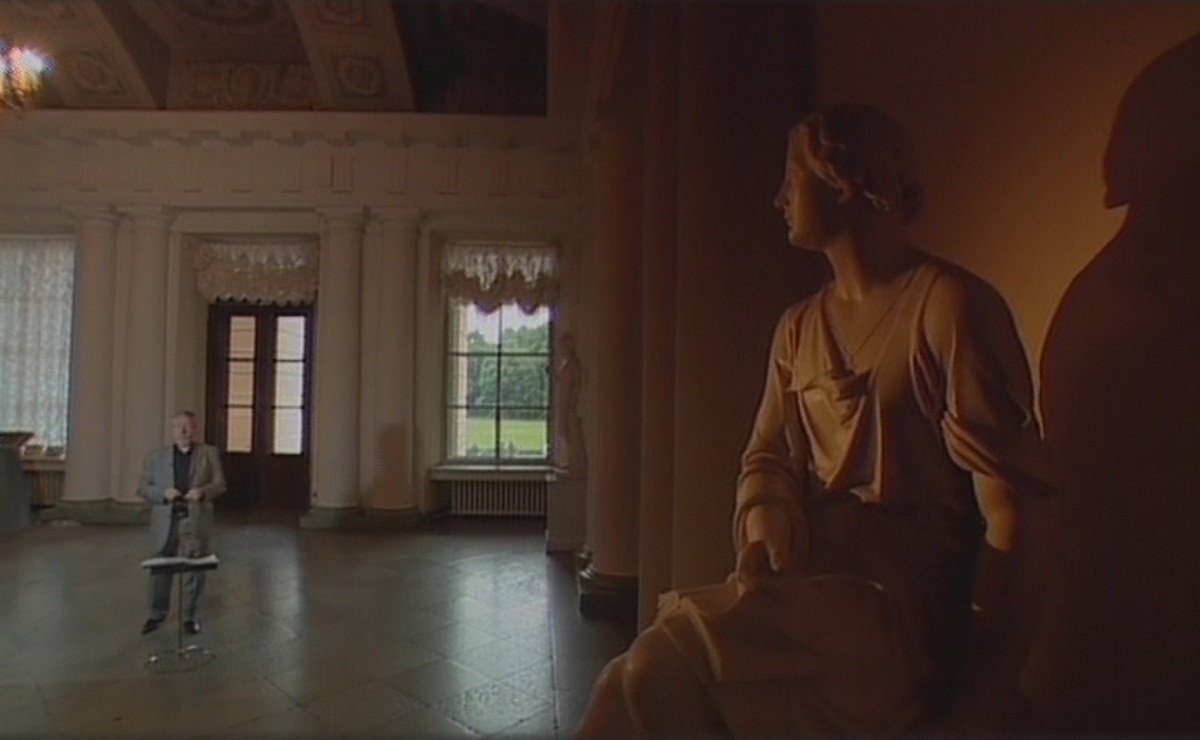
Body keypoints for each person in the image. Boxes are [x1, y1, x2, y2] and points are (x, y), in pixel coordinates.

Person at [577, 103, 1046, 737]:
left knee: (655, 672)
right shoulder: (799, 327)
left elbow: (1014, 513)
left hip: (901, 611)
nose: (778, 198)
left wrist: (986, 691)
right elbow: (768, 456)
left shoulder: (948, 308)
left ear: (844, 182)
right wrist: (768, 524)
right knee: (629, 680)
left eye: (790, 176)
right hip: (816, 584)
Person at [138, 410, 226, 635]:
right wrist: (162, 493)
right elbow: (143, 488)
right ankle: (156, 614)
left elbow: (220, 484)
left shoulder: (209, 453)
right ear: (172, 430)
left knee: (194, 568)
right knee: (160, 567)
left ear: (195, 429)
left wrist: (203, 492)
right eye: (179, 426)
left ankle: (190, 617)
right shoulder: (155, 458)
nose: (183, 430)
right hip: (166, 520)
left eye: (188, 426)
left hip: (193, 519)